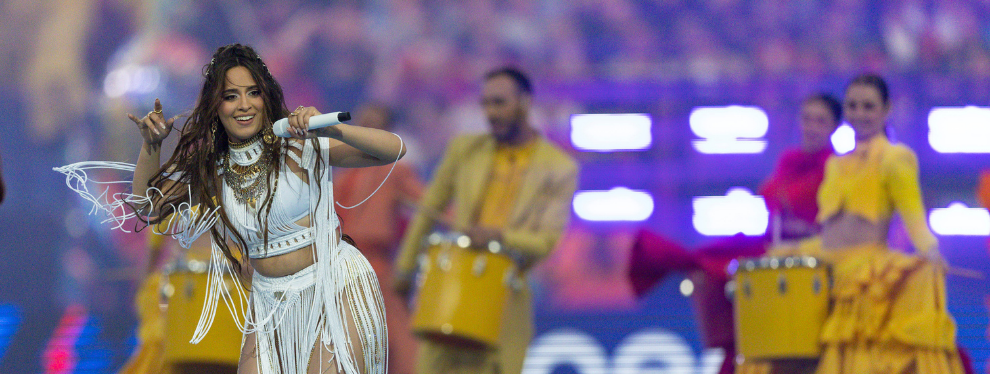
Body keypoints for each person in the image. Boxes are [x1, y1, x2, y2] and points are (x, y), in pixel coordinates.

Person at [89, 43, 404, 374]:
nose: (243, 104)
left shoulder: (295, 150)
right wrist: (151, 147)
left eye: (252, 93)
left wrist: (335, 130)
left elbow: (392, 150)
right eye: (230, 96)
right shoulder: (210, 168)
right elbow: (148, 207)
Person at [393, 67, 578, 374]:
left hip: (508, 288)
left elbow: (545, 242)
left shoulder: (558, 166)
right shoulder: (464, 149)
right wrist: (404, 269)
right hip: (450, 281)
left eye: (499, 103)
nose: (490, 112)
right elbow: (428, 210)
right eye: (485, 104)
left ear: (525, 103)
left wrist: (498, 237)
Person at [811, 74, 963, 373]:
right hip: (827, 275)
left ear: (886, 109)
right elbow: (828, 231)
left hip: (866, 280)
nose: (859, 114)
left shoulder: (896, 158)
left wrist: (931, 253)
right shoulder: (834, 164)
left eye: (868, 106)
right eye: (852, 106)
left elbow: (915, 221)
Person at [335, 103, 424, 374]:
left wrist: (467, 221)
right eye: (362, 126)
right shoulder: (343, 174)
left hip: (376, 264)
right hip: (339, 265)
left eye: (375, 128)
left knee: (396, 337)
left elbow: (430, 203)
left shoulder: (395, 170)